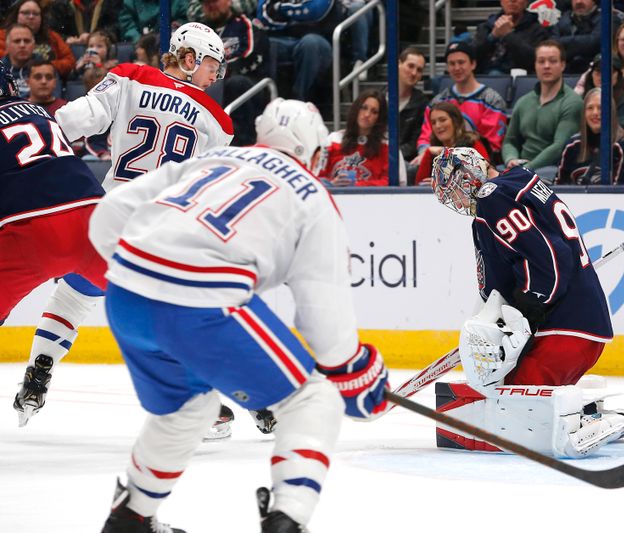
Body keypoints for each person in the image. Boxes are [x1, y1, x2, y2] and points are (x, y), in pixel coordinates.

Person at [89, 98, 389, 533]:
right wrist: (352, 368)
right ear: (317, 153)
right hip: (202, 305)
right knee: (312, 398)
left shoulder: (210, 158)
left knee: (188, 406)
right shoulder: (312, 195)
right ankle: (288, 519)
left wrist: (141, 273)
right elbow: (324, 316)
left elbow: (110, 213)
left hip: (126, 296)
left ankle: (131, 516)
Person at [14, 22, 234, 428]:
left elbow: (74, 120)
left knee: (77, 295)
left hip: (110, 214)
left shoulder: (133, 76)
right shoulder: (218, 120)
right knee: (180, 309)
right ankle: (226, 401)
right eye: (210, 65)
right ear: (188, 58)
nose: (214, 75)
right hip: (162, 228)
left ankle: (38, 372)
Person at [429, 146, 624, 458]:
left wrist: (529, 307)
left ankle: (591, 421)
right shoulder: (518, 180)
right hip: (578, 326)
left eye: (455, 193)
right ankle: (584, 410)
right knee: (507, 392)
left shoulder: (493, 198)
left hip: (565, 328)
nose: (457, 202)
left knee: (514, 410)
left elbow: (550, 261)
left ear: (467, 177)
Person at [0, 64, 107, 424]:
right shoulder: (38, 111)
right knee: (163, 305)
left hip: (29, 232)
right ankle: (246, 396)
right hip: (95, 221)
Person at [415, 40, 507, 162]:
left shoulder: (492, 100)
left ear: (473, 64)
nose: (457, 68)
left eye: (461, 62)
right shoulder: (437, 102)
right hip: (438, 163)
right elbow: (425, 138)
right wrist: (424, 154)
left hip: (478, 165)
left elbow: (491, 145)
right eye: (452, 63)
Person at [502, 40, 582, 175]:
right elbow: (510, 141)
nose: (546, 66)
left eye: (552, 61)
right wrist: (511, 159)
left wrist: (527, 168)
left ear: (562, 65)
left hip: (552, 170)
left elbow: (559, 147)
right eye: (541, 61)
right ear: (535, 65)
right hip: (522, 168)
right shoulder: (523, 102)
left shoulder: (573, 102)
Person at [197, 0, 272, 145]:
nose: (210, 5)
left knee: (236, 83)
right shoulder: (201, 32)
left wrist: (213, 69)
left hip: (250, 85)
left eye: (215, 1)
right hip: (211, 84)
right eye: (205, 2)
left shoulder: (247, 25)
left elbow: (250, 55)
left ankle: (242, 144)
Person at [556, 88, 624, 185]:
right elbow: (559, 185)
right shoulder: (572, 146)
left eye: (601, 108)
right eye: (590, 108)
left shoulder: (623, 147)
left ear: (611, 112)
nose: (595, 113)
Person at [320, 89, 406, 186]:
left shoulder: (390, 148)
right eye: (364, 108)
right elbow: (317, 178)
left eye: (374, 112)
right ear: (356, 109)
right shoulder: (333, 140)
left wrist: (358, 186)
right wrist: (332, 185)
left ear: (380, 117)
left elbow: (396, 184)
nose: (367, 115)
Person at [415, 101, 489, 186]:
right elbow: (419, 185)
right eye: (433, 123)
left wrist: (445, 183)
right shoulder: (432, 151)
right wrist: (428, 153)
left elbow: (484, 177)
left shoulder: (472, 144)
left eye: (442, 120)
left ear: (455, 121)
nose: (438, 126)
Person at [575, 53, 624, 138]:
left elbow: (617, 136)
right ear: (592, 74)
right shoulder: (586, 97)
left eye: (608, 72)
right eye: (598, 71)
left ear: (618, 75)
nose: (602, 77)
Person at [0, 0, 76, 78]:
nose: (31, 17)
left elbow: (70, 61)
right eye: (26, 13)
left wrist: (46, 66)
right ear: (16, 15)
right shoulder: (2, 35)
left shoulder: (52, 36)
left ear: (41, 18)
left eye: (35, 14)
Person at [473, 0, 549, 75]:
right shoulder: (486, 27)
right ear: (501, 2)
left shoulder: (537, 30)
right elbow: (473, 56)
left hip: (519, 77)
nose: (512, 0)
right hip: (484, 76)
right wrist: (493, 36)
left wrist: (508, 35)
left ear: (526, 2)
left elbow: (534, 59)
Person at [395, 47, 427, 164]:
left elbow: (415, 143)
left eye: (419, 70)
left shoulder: (422, 103)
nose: (414, 73)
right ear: (398, 64)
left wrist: (392, 157)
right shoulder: (378, 99)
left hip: (406, 163)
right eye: (410, 66)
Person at [1, 24, 36, 98]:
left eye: (27, 41)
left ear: (34, 45)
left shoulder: (46, 68)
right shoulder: (1, 70)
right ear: (7, 45)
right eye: (17, 41)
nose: (22, 45)